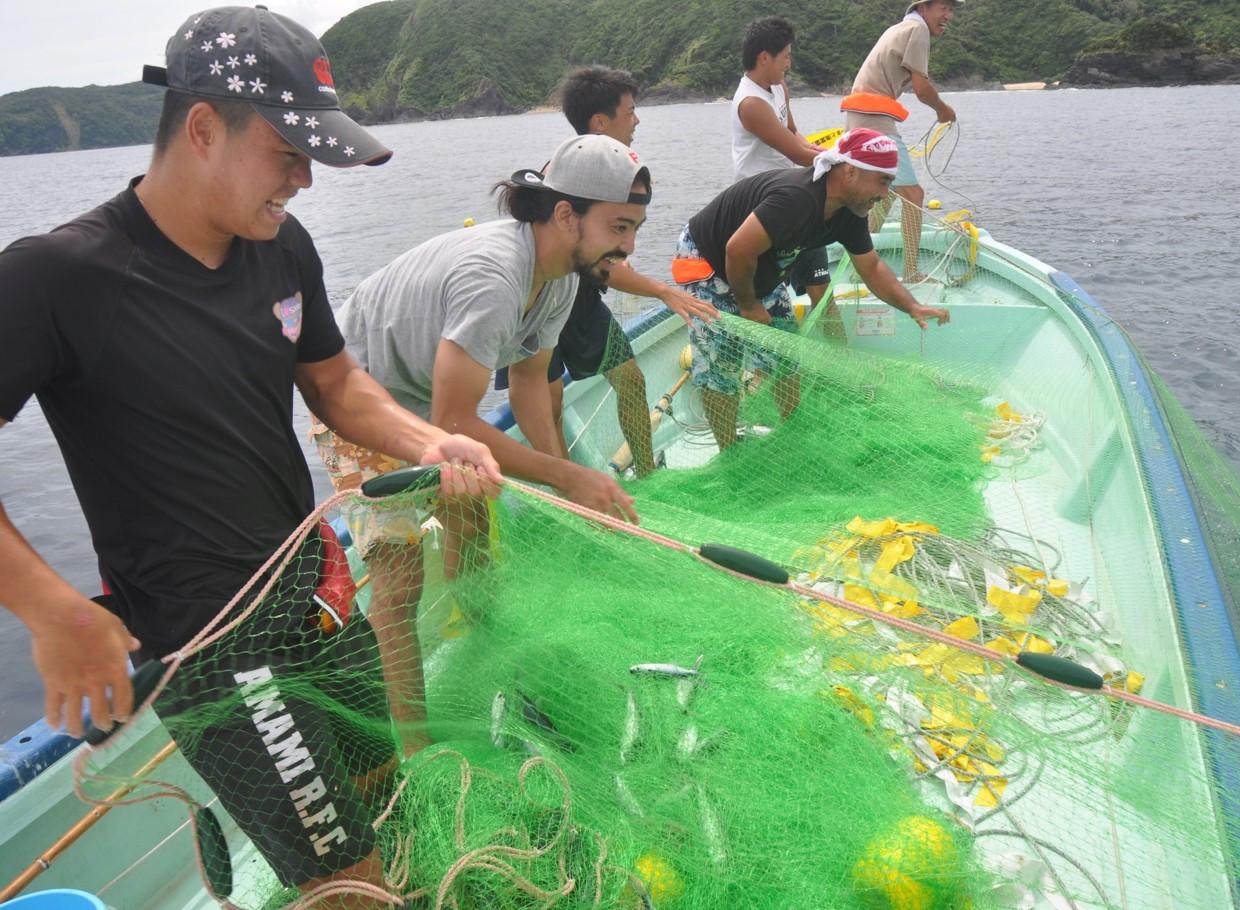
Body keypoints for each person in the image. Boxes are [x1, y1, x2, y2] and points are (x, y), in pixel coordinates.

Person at [0, 7, 502, 908]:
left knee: (388, 798)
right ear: (202, 128)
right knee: (348, 880)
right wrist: (56, 614)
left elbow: (338, 384)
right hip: (214, 645)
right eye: (289, 153)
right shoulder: (55, 276)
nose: (306, 180)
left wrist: (435, 440)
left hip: (313, 595)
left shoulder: (282, 247)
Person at [326, 133, 651, 535]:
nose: (630, 246)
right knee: (398, 560)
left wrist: (566, 486)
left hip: (425, 397)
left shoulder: (562, 275)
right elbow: (454, 422)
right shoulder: (493, 281)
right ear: (566, 215)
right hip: (358, 388)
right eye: (619, 227)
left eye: (635, 228)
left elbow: (529, 380)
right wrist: (569, 477)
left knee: (473, 525)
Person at [494, 65, 716, 476]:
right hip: (541, 298)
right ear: (600, 122)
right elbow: (604, 266)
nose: (636, 120)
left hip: (581, 301)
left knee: (629, 378)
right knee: (550, 403)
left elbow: (609, 261)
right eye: (629, 111)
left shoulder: (620, 179)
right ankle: (569, 488)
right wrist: (664, 291)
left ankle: (648, 472)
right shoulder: (568, 176)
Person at [671, 129, 951, 450]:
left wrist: (911, 306)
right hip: (709, 259)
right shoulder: (796, 199)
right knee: (722, 365)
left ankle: (793, 436)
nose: (884, 194)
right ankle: (729, 450)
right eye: (882, 182)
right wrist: (748, 305)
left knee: (786, 352)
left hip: (759, 265)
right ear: (849, 172)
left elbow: (871, 267)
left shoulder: (851, 211)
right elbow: (737, 250)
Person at [845, 0, 961, 280]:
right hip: (873, 119)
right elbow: (922, 88)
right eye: (943, 8)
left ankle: (856, 267)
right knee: (912, 195)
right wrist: (943, 110)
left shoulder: (902, 27)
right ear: (924, 8)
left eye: (951, 9)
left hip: (861, 116)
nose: (948, 15)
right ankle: (910, 271)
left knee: (885, 193)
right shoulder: (917, 31)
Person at [731, 17, 831, 308]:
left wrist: (822, 151)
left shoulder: (777, 87)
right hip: (763, 201)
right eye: (786, 56)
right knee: (771, 292)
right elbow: (797, 154)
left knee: (821, 292)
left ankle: (834, 346)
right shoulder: (750, 104)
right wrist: (843, 161)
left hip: (794, 191)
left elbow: (793, 134)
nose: (789, 62)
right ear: (765, 58)